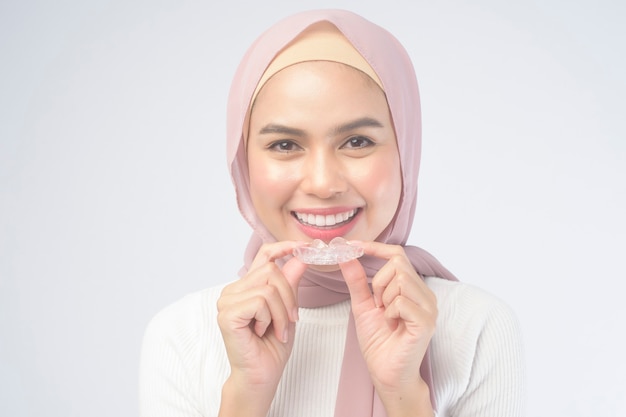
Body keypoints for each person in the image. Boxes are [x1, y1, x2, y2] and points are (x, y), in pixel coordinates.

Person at [139, 9, 525, 417]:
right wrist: (245, 396)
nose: (323, 183)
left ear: (406, 153)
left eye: (357, 141)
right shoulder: (184, 335)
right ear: (243, 161)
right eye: (285, 145)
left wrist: (404, 395)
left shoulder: (472, 328)